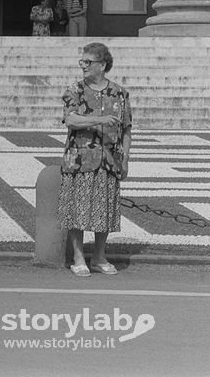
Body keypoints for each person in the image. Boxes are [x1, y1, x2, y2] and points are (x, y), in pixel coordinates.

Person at [58, 42, 132, 277]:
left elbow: (127, 129)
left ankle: (99, 257)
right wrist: (99, 119)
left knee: (104, 211)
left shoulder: (119, 93)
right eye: (82, 61)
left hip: (109, 159)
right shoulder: (75, 90)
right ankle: (79, 257)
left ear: (103, 65)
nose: (83, 66)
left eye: (88, 62)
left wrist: (126, 159)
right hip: (79, 159)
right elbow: (70, 120)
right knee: (77, 209)